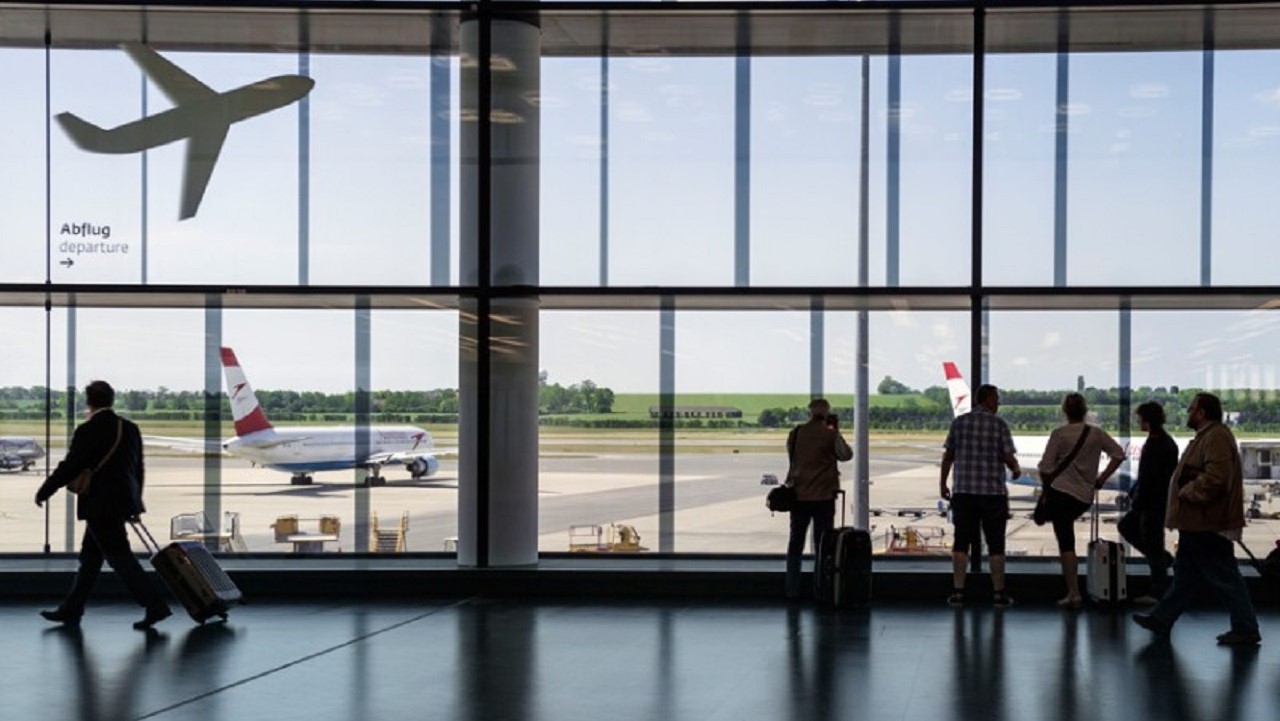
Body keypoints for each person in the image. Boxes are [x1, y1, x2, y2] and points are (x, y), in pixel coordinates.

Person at [34, 380, 171, 630]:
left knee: (120, 558)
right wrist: (135, 502)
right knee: (90, 558)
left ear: (89, 401)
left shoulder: (88, 430)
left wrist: (46, 489)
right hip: (121, 502)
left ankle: (155, 604)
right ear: (111, 399)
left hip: (99, 505)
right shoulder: (129, 428)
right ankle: (72, 609)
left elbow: (71, 466)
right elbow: (137, 469)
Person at [1133, 392, 1261, 645]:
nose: (1188, 413)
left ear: (1201, 413)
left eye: (1191, 409)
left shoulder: (1216, 438)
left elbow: (1216, 477)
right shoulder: (1209, 437)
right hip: (1196, 522)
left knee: (1224, 577)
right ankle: (1162, 619)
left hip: (1206, 522)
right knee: (1185, 577)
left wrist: (1187, 492)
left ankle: (1246, 628)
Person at [1035, 393, 1125, 609]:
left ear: (1065, 411)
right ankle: (1076, 591)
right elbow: (1119, 454)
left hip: (1060, 494)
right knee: (1068, 539)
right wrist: (1101, 478)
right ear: (1085, 411)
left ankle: (1073, 592)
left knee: (1066, 543)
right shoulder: (1096, 434)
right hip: (1083, 497)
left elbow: (1045, 467)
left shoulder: (1059, 434)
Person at [939, 383, 1020, 608]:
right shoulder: (999, 425)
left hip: (964, 492)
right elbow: (1007, 455)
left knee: (960, 543)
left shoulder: (959, 423)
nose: (999, 403)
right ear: (985, 400)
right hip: (992, 494)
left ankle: (958, 592)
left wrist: (943, 484)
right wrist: (1015, 469)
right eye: (996, 399)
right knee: (996, 545)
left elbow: (948, 456)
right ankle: (998, 594)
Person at [784, 398, 853, 600]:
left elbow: (792, 458)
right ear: (827, 412)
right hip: (823, 496)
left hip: (799, 495)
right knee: (822, 544)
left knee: (795, 542)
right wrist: (835, 431)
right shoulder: (830, 434)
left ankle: (792, 589)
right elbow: (846, 455)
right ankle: (821, 588)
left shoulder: (796, 433)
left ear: (809, 412)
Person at [1118, 401, 1179, 604]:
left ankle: (1157, 589)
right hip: (1157, 500)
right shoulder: (1164, 441)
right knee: (1147, 538)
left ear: (1147, 419)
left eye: (1139, 418)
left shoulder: (1155, 443)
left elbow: (1148, 477)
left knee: (1148, 539)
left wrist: (1136, 501)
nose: (1138, 421)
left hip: (1152, 502)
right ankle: (1162, 562)